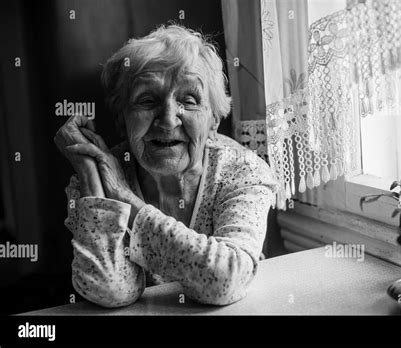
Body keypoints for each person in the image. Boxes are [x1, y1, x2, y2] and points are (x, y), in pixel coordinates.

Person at [54, 24, 278, 308]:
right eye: (147, 100)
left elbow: (226, 280)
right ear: (123, 121)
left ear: (213, 121)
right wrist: (87, 169)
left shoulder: (244, 171)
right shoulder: (97, 178)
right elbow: (109, 291)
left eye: (189, 99)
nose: (169, 120)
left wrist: (124, 198)